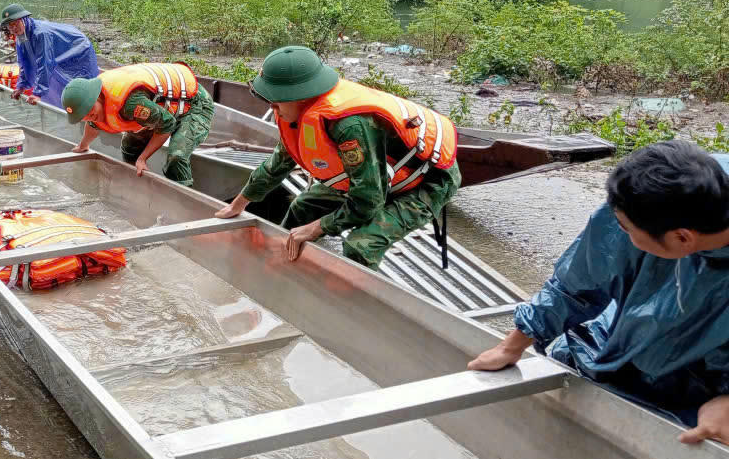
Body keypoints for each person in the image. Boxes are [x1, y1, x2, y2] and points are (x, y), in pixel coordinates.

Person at [468, 141, 729, 445]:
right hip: (636, 331)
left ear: (682, 238)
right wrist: (513, 345)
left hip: (703, 374)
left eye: (627, 229)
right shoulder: (661, 193)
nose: (621, 233)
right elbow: (582, 276)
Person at [214, 45, 461, 268]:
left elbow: (367, 202)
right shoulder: (296, 115)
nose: (271, 108)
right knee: (302, 207)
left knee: (360, 246)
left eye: (276, 101)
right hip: (379, 175)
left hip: (425, 180)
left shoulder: (349, 126)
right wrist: (237, 205)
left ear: (301, 95)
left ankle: (355, 307)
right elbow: (276, 166)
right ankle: (283, 267)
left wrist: (317, 228)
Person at [61, 63, 213, 187]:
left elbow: (167, 124)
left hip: (193, 104)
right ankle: (137, 189)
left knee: (176, 156)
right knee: (129, 148)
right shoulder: (96, 106)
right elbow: (93, 124)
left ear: (96, 97)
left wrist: (143, 158)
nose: (89, 116)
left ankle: (183, 202)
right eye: (83, 115)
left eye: (90, 110)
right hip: (158, 107)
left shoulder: (130, 104)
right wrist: (83, 146)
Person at [0, 3, 98, 108]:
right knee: (53, 81)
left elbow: (45, 63)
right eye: (10, 26)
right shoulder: (21, 37)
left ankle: (80, 108)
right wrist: (21, 86)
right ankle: (62, 109)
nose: (14, 28)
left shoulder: (40, 33)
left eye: (16, 23)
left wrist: (37, 93)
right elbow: (24, 64)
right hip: (60, 53)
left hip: (78, 50)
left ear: (24, 19)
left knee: (75, 85)